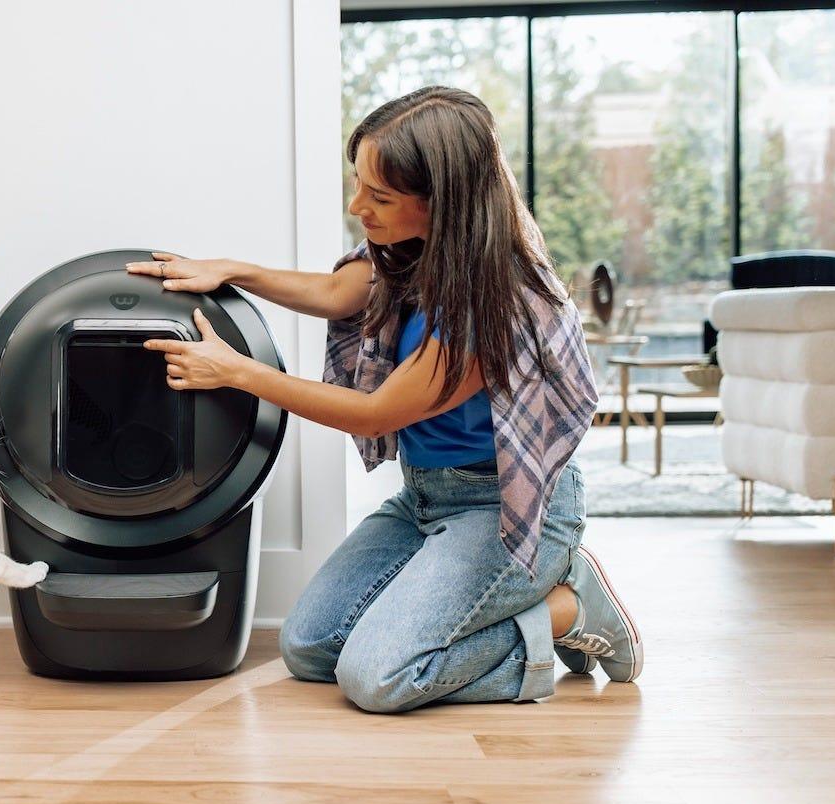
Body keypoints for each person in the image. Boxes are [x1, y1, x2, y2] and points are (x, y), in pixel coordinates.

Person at [129, 86, 642, 713]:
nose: (357, 206)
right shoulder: (412, 254)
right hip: (424, 496)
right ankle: (477, 608)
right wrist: (232, 271)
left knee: (378, 679)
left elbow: (378, 414)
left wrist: (239, 373)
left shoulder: (498, 303)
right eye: (358, 184)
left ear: (442, 201)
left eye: (380, 196)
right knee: (309, 648)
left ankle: (567, 608)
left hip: (503, 512)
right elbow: (336, 293)